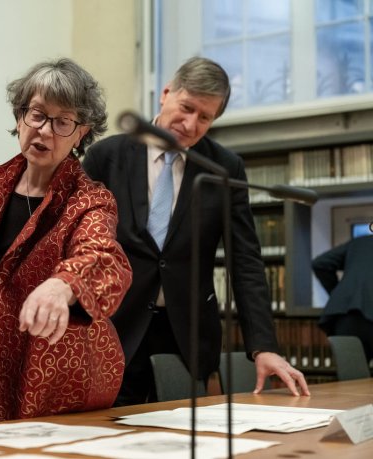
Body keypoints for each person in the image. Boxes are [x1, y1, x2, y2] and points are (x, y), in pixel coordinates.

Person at [82, 56, 310, 405]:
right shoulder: (106, 156)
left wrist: (263, 346)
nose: (190, 124)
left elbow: (245, 260)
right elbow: (79, 246)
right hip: (113, 329)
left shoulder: (223, 168)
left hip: (186, 337)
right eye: (186, 108)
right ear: (166, 93)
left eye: (205, 117)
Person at [0, 58, 133, 425]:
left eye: (63, 122)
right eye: (37, 114)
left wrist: (64, 285)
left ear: (82, 133)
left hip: (52, 383)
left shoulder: (90, 199)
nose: (45, 130)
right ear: (19, 118)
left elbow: (105, 257)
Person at [313, 234, 373, 362]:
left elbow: (320, 263)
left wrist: (338, 294)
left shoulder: (360, 242)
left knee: (352, 376)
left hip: (345, 317)